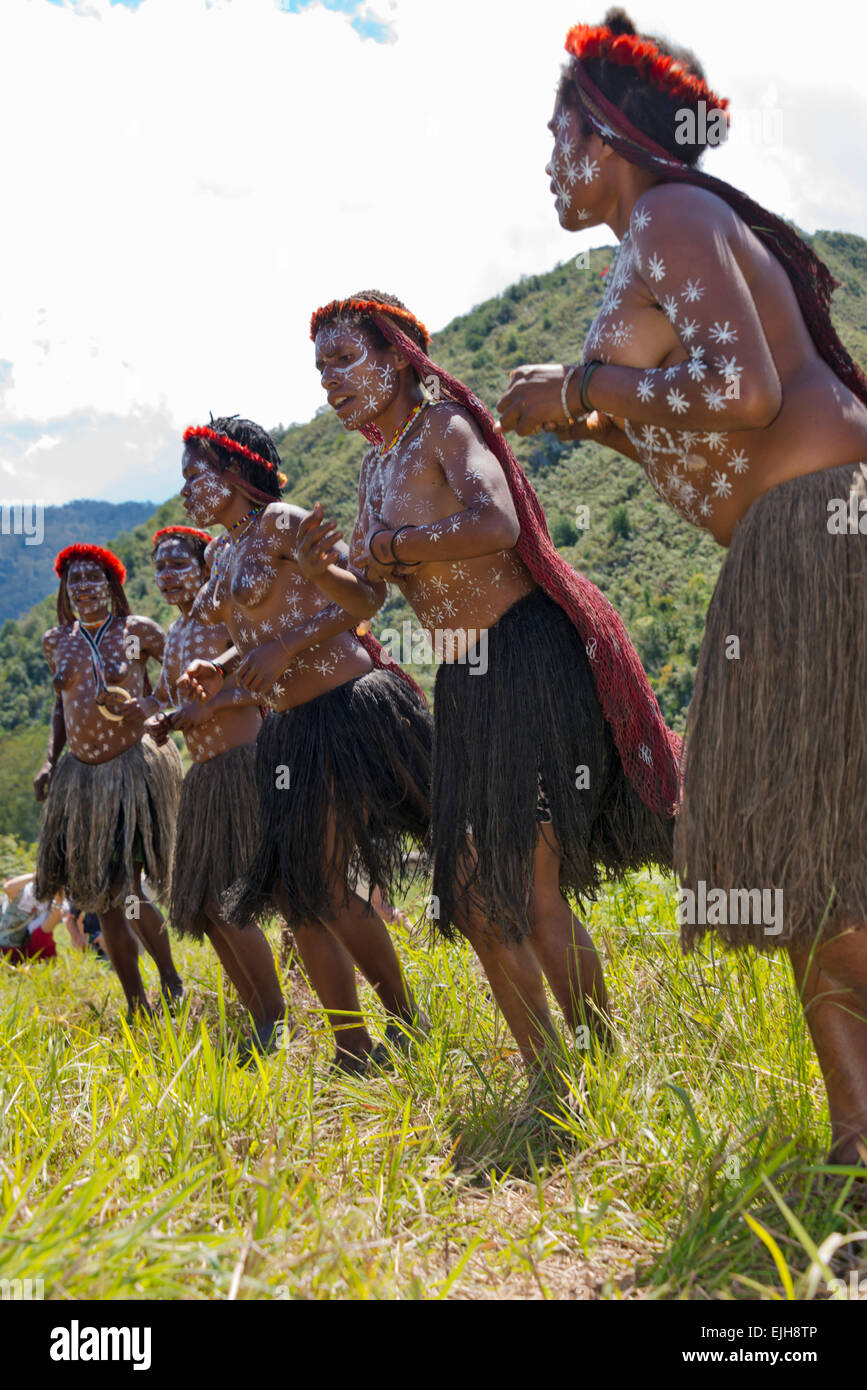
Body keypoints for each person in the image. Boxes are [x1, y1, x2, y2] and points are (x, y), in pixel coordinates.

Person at [495, 11, 867, 1161]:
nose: (544, 159)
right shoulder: (670, 231)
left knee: (828, 858)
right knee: (817, 856)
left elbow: (746, 391)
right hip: (790, 552)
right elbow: (699, 434)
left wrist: (575, 389)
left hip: (824, 540)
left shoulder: (672, 213)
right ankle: (856, 1140)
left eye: (554, 131)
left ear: (602, 136)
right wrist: (589, 414)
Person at [300, 291, 678, 1077]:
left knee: (524, 878)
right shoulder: (374, 465)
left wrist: (398, 542)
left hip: (525, 656)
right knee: (474, 892)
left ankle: (595, 1066)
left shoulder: (446, 429)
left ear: (400, 357)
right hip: (466, 680)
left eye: (343, 360)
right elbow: (369, 597)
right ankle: (548, 1067)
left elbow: (497, 522)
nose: (329, 380)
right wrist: (319, 569)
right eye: (319, 368)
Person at [176, 416, 431, 1073]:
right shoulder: (222, 553)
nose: (186, 491)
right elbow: (262, 625)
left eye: (194, 476)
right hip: (288, 728)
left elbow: (365, 597)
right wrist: (224, 665)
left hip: (345, 711)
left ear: (234, 472)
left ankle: (403, 1020)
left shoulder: (284, 522)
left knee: (319, 883)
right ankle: (353, 1045)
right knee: (300, 894)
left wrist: (285, 647)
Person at [144, 524, 287, 1056]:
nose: (167, 576)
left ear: (204, 570)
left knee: (234, 900)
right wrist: (160, 719)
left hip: (244, 763)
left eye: (178, 565)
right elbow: (164, 699)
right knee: (206, 905)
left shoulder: (226, 615)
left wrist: (205, 708)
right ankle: (258, 1015)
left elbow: (260, 683)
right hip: (204, 776)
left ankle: (277, 1014)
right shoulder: (177, 633)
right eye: (159, 568)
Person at [33, 544, 184, 1017]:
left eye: (93, 578)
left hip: (132, 772)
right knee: (104, 902)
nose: (83, 588)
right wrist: (49, 760)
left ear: (111, 585)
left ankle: (170, 979)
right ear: (65, 589)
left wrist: (160, 708)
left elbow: (177, 675)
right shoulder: (56, 641)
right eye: (74, 580)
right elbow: (61, 706)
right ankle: (137, 1002)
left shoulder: (137, 631)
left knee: (128, 890)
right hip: (81, 780)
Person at [0, 874, 61, 963]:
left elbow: (47, 928)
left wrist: (59, 902)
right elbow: (8, 888)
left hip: (27, 949)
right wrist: (38, 874)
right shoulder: (22, 893)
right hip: (5, 947)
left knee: (44, 937)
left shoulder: (52, 903)